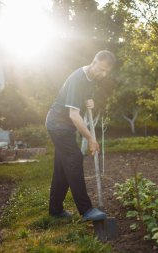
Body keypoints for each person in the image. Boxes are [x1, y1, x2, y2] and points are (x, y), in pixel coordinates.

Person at [45, 50, 116, 221]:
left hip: (65, 127)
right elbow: (74, 115)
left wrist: (88, 101)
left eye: (107, 71)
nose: (104, 74)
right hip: (58, 125)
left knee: (62, 168)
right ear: (94, 61)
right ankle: (86, 210)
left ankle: (55, 210)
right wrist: (90, 138)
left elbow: (83, 99)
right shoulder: (78, 78)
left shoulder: (90, 79)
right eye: (102, 69)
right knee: (74, 159)